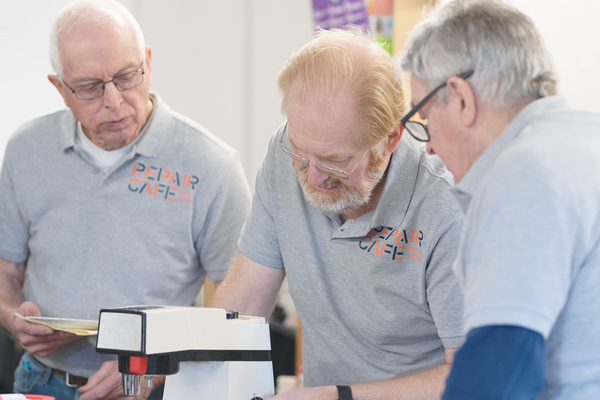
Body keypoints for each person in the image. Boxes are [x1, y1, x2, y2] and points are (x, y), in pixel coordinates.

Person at [0, 1, 251, 399]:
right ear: (59, 88)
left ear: (148, 62)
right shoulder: (26, 150)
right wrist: (13, 317)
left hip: (155, 389)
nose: (115, 102)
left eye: (127, 77)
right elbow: (6, 273)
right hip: (41, 382)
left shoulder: (211, 165)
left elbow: (241, 312)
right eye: (89, 87)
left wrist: (156, 366)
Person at [211, 28, 465, 399]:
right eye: (301, 152)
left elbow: (475, 377)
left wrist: (338, 396)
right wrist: (164, 365)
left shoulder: (446, 207)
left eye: (336, 161)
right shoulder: (284, 157)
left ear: (391, 138)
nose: (313, 177)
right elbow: (243, 308)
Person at [399, 0, 600, 398]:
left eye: (423, 119)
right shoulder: (584, 145)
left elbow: (496, 372)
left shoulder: (524, 174)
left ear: (460, 98)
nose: (429, 149)